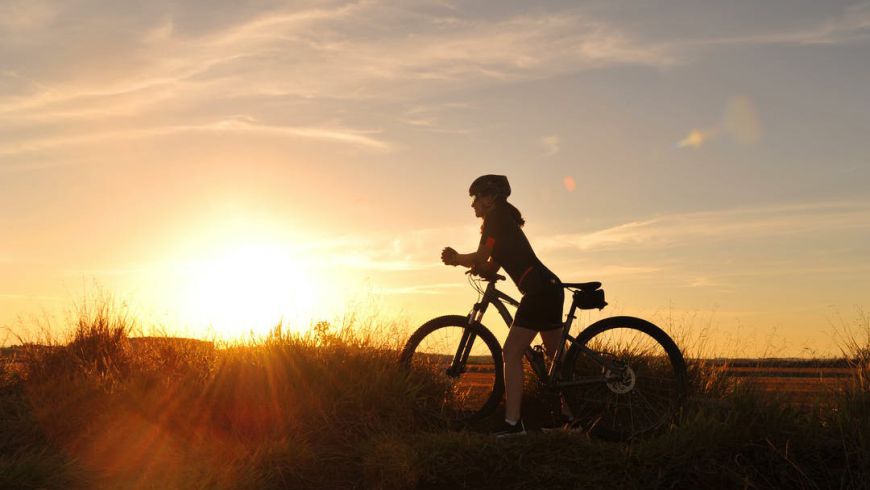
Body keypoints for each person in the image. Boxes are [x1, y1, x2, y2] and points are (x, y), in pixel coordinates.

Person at [441, 174, 571, 436]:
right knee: (559, 361)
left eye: (476, 197)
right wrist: (483, 269)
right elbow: (491, 262)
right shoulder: (503, 221)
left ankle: (513, 424)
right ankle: (573, 420)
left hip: (538, 291)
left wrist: (456, 259)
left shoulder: (496, 218)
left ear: (490, 198)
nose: (473, 204)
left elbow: (481, 255)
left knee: (510, 352)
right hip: (549, 288)